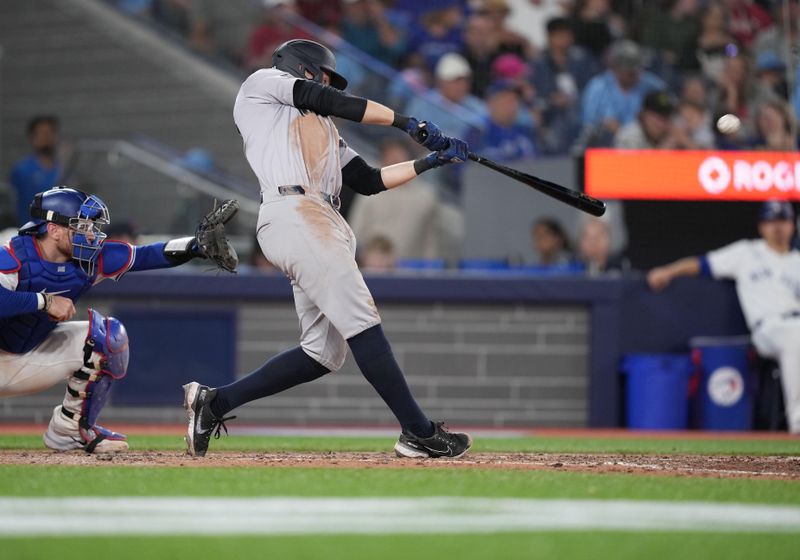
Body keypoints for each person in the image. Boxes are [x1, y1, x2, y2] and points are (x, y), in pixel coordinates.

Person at [183, 39, 473, 460]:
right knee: (363, 319)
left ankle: (215, 403)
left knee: (322, 354)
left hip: (321, 219)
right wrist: (406, 121)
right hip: (293, 211)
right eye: (322, 74)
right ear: (300, 66)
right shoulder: (262, 85)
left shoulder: (323, 129)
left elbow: (369, 180)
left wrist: (430, 162)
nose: (325, 84)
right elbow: (318, 96)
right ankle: (418, 431)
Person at [0, 187, 221, 453]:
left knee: (107, 336)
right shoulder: (12, 253)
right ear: (54, 229)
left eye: (91, 225)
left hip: (23, 358)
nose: (90, 234)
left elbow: (147, 255)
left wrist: (196, 246)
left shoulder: (89, 260)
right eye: (81, 226)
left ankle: (68, 431)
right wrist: (45, 301)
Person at [647, 200, 800, 434]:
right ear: (762, 227)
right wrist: (668, 272)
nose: (777, 227)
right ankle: (797, 423)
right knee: (795, 336)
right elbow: (702, 264)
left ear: (792, 225)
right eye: (771, 221)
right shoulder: (747, 252)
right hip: (769, 328)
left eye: (783, 220)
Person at [348, 138, 440, 260]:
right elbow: (355, 231)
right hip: (375, 267)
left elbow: (430, 237)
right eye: (389, 156)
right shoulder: (368, 191)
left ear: (409, 158)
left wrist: (429, 266)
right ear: (382, 160)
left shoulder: (426, 196)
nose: (394, 160)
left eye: (398, 155)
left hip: (410, 266)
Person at [580, 40, 665, 147]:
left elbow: (668, 111)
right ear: (615, 67)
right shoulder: (598, 86)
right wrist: (607, 125)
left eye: (635, 70)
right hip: (606, 144)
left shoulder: (653, 85)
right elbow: (588, 121)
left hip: (644, 143)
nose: (632, 74)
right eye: (628, 71)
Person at [8, 116, 62, 226]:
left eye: (50, 132)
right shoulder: (22, 170)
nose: (46, 137)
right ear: (32, 137)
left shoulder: (63, 169)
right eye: (42, 133)